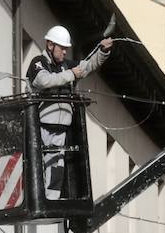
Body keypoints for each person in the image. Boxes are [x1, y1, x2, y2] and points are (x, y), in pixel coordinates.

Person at [25, 26, 114, 199]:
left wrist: (102, 51)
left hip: (61, 126)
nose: (65, 52)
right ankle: (37, 197)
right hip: (41, 124)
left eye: (66, 48)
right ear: (50, 45)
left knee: (56, 165)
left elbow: (88, 66)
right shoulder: (39, 62)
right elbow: (44, 81)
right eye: (62, 48)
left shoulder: (66, 66)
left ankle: (51, 200)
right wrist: (70, 74)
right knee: (38, 161)